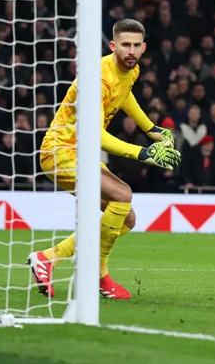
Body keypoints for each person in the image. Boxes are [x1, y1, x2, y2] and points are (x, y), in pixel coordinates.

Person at [30, 19, 181, 299]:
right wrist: (142, 152)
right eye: (125, 45)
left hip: (82, 153)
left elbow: (125, 96)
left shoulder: (131, 70)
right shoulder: (97, 78)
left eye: (136, 45)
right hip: (60, 151)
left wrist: (150, 128)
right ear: (113, 46)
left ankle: (48, 258)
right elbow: (95, 134)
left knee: (126, 219)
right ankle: (98, 275)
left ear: (144, 47)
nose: (131, 51)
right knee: (123, 194)